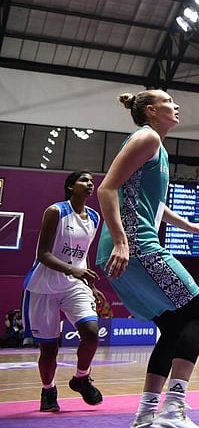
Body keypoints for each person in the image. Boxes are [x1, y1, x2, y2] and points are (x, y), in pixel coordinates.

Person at [97, 90, 199, 428]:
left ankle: (146, 414)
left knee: (174, 325)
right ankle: (172, 408)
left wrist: (189, 226)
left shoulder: (157, 147)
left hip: (129, 246)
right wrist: (122, 242)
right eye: (168, 102)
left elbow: (154, 205)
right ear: (151, 111)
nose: (176, 105)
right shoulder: (147, 137)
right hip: (134, 247)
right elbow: (106, 188)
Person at [21, 171, 105, 412]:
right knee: (49, 349)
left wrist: (90, 282)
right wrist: (74, 270)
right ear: (70, 186)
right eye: (84, 180)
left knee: (91, 332)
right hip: (43, 285)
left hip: (74, 284)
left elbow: (83, 253)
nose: (90, 184)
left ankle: (81, 377)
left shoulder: (94, 218)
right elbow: (43, 254)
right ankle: (48, 390)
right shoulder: (56, 211)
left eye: (91, 181)